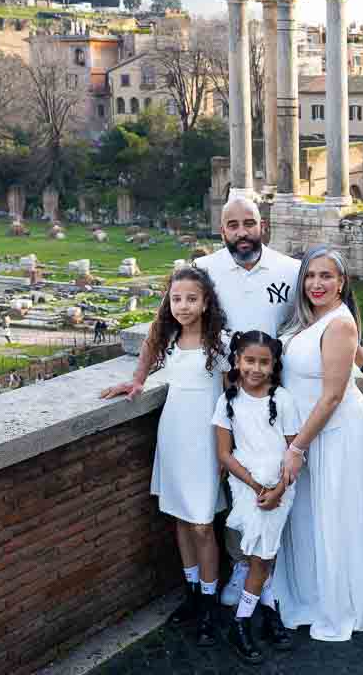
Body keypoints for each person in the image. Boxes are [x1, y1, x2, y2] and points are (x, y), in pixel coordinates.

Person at [197, 197, 363, 608]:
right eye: (233, 225)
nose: (242, 232)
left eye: (249, 223)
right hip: (238, 399)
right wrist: (139, 375)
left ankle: (277, 578)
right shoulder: (203, 272)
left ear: (264, 225)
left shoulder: (290, 270)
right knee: (245, 489)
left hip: (291, 411)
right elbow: (169, 321)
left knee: (298, 502)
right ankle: (246, 566)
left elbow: (331, 323)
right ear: (222, 230)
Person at [100, 267, 229, 647]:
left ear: (206, 302)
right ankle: (191, 593)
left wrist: (227, 450)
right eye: (176, 299)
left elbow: (229, 402)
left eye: (191, 299)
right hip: (173, 435)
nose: (183, 306)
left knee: (203, 523)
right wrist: (138, 380)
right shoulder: (168, 337)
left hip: (205, 440)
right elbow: (149, 347)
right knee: (180, 518)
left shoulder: (219, 344)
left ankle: (209, 601)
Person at [274, 247, 363, 642]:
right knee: (313, 516)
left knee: (336, 517)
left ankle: (341, 604)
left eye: (326, 276)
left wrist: (296, 449)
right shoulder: (318, 316)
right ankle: (315, 597)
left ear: (342, 282)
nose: (316, 283)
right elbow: (337, 347)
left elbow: (331, 396)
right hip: (314, 431)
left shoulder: (340, 322)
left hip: (337, 430)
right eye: (310, 276)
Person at [213, 331, 298, 663]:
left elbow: (295, 451)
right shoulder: (228, 402)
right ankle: (259, 617)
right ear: (237, 361)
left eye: (264, 362)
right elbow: (224, 454)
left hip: (281, 485)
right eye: (249, 360)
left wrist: (278, 489)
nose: (256, 368)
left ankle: (244, 621)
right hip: (247, 484)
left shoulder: (284, 400)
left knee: (264, 555)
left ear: (274, 364)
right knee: (262, 555)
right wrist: (255, 486)